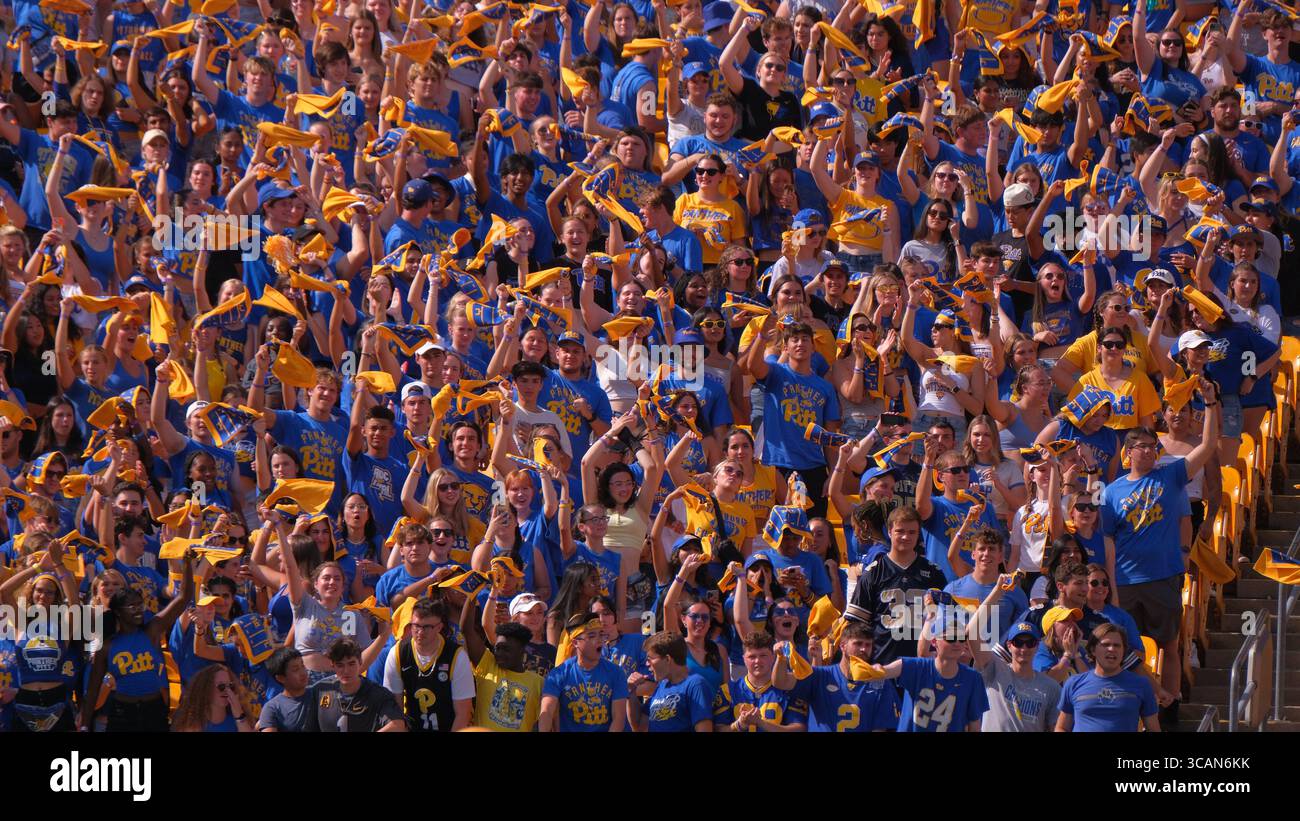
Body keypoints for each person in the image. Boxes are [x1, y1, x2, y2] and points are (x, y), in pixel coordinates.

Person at [770, 620, 896, 733]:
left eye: (868, 645)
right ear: (843, 646)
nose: (863, 649)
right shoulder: (820, 675)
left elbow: (880, 728)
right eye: (858, 643)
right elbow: (780, 682)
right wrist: (781, 658)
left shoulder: (880, 682)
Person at [383, 597, 474, 732]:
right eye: (416, 625)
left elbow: (463, 714)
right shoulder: (398, 653)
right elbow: (394, 710)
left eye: (427, 627)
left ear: (439, 627)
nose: (420, 632)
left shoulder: (456, 656)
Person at [1055, 624, 1160, 732]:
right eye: (1105, 645)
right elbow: (1061, 727)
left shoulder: (1141, 684)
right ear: (1093, 650)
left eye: (1117, 645)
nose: (1111, 649)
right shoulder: (1073, 683)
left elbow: (1154, 729)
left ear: (1124, 651)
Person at [539, 613, 629, 732]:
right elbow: (547, 712)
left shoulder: (616, 673)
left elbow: (618, 719)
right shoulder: (559, 674)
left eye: (601, 635)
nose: (599, 640)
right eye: (592, 636)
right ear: (576, 642)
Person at [303, 638, 407, 732]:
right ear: (332, 665)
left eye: (351, 664)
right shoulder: (320, 691)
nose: (346, 671)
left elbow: (398, 725)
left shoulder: (378, 694)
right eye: (340, 665)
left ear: (360, 662)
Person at [625, 631, 714, 732]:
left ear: (667, 659)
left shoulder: (695, 684)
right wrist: (631, 691)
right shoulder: (661, 686)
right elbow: (639, 727)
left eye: (650, 659)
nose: (647, 664)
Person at [256, 648, 311, 732]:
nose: (303, 672)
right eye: (295, 669)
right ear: (281, 678)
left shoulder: (318, 693)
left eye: (302, 665)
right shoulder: (272, 708)